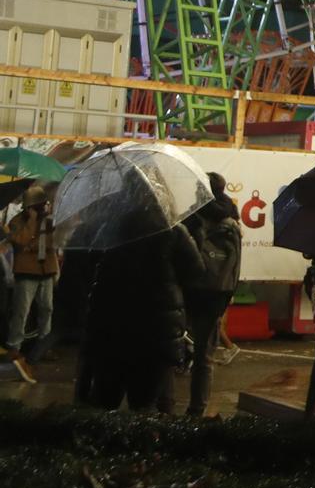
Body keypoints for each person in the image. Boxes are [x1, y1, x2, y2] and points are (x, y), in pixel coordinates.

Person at [79, 208, 203, 412]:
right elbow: (196, 271)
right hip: (156, 330)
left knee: (104, 402)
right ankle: (141, 442)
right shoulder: (173, 231)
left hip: (111, 326)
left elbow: (87, 265)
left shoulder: (109, 227)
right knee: (144, 405)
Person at [182, 174, 242, 417]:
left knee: (171, 349)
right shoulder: (232, 222)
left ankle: (163, 407)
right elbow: (235, 265)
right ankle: (197, 408)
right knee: (205, 356)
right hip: (217, 293)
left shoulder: (192, 217)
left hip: (190, 291)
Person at [5, 184, 58, 375]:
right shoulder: (17, 221)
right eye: (37, 206)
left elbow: (55, 241)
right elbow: (20, 240)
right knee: (22, 310)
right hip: (26, 272)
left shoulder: (51, 221)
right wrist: (31, 224)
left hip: (46, 270)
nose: (41, 209)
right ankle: (14, 346)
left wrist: (33, 244)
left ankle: (44, 345)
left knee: (47, 308)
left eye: (43, 205)